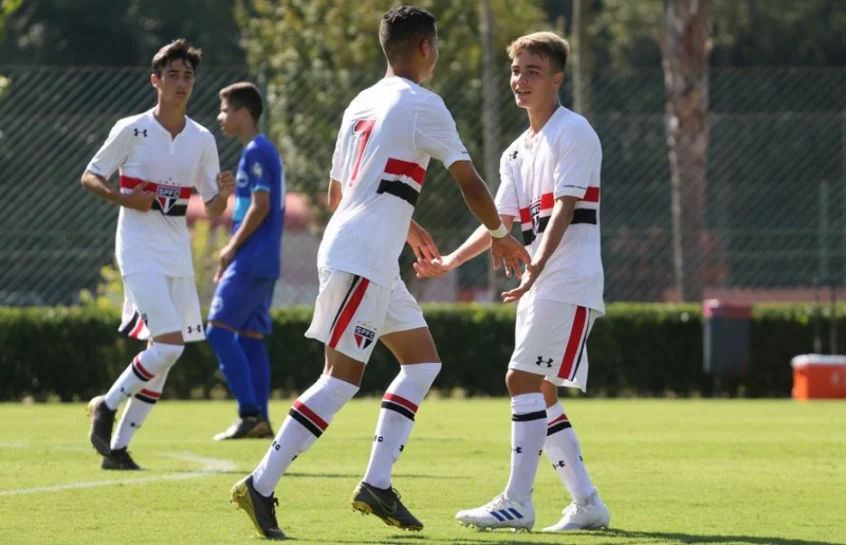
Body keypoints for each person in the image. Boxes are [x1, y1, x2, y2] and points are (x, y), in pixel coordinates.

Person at [229, 5, 529, 540]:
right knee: (340, 379)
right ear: (424, 48)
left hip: (368, 255)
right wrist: (502, 236)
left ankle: (376, 484)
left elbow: (338, 193)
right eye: (434, 45)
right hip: (361, 258)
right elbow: (472, 184)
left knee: (422, 363)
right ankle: (260, 482)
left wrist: (404, 224)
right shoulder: (423, 105)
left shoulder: (362, 102)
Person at [416, 31, 610, 532]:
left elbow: (565, 209)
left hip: (567, 280)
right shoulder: (515, 153)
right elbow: (498, 222)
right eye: (517, 70)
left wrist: (538, 265)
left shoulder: (575, 132)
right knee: (540, 391)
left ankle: (518, 501)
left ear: (557, 80)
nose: (520, 81)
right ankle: (587, 503)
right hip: (541, 282)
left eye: (533, 71)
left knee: (520, 380)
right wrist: (451, 262)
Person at [82, 39, 234, 470]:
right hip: (137, 248)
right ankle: (106, 404)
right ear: (156, 80)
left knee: (168, 352)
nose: (181, 82)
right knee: (168, 345)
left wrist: (223, 195)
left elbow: (212, 204)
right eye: (173, 74)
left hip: (176, 252)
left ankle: (118, 450)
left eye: (188, 75)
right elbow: (90, 176)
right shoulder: (132, 128)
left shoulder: (202, 139)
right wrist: (126, 199)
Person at [207, 82, 285, 440]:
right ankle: (262, 421)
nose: (220, 117)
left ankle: (249, 413)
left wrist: (230, 249)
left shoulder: (256, 151)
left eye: (225, 110)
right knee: (251, 339)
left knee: (218, 331)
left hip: (251, 258)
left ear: (242, 113)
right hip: (264, 260)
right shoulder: (260, 151)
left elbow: (261, 205)